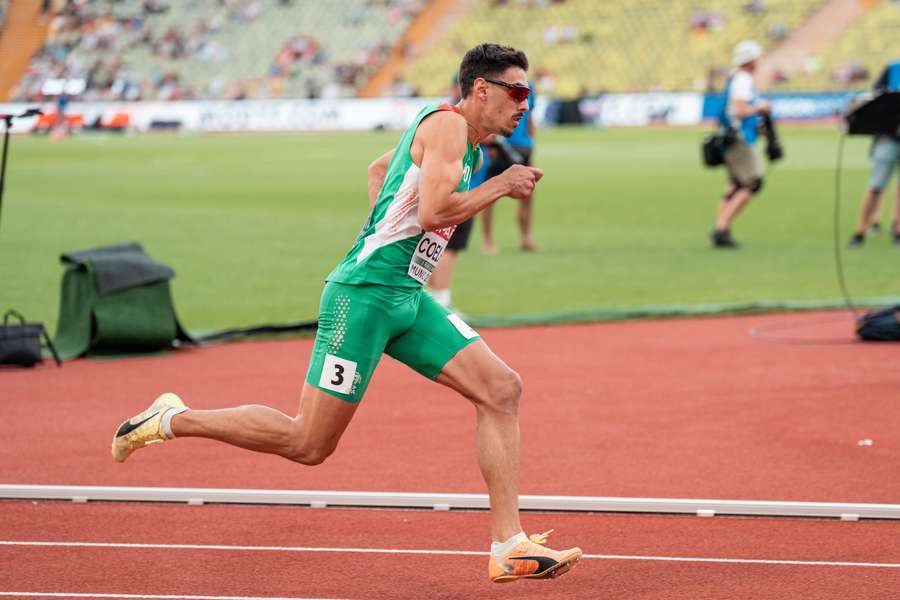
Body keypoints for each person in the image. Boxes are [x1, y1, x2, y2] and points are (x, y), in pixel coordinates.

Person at [111, 43, 582, 584]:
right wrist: (500, 186)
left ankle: (508, 545)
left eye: (529, 94)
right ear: (481, 90)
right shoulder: (450, 128)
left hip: (403, 297)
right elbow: (432, 213)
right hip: (360, 298)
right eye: (517, 92)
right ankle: (169, 419)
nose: (525, 105)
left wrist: (384, 227)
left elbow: (380, 167)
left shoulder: (465, 145)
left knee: (501, 389)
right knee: (308, 443)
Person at [710, 40, 771, 248]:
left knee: (734, 185)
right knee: (752, 183)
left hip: (730, 137)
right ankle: (720, 228)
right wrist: (760, 109)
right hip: (739, 139)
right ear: (751, 59)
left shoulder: (735, 78)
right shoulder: (743, 80)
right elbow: (740, 110)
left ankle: (723, 230)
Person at [849, 59, 900, 248]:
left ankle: (898, 230)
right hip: (888, 138)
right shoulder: (893, 69)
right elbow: (874, 98)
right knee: (876, 186)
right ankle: (860, 230)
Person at [482, 80, 537, 253]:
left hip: (522, 147)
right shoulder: (498, 84)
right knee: (489, 196)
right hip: (501, 146)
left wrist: (531, 143)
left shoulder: (530, 87)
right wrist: (490, 142)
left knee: (528, 193)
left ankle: (526, 237)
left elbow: (530, 117)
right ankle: (488, 240)